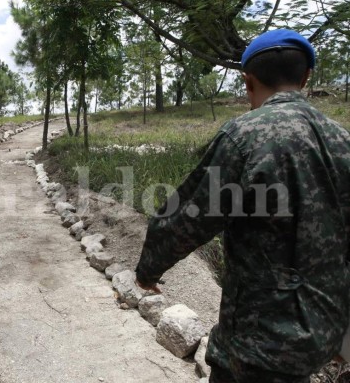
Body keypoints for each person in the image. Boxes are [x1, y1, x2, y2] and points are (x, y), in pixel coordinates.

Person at [134, 29, 350, 383]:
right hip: (320, 334)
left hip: (255, 343)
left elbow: (190, 216)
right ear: (306, 76)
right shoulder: (343, 141)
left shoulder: (244, 136)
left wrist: (148, 270)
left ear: (248, 81)